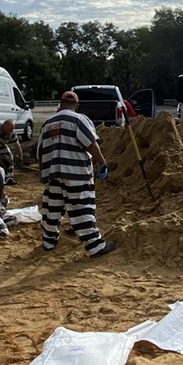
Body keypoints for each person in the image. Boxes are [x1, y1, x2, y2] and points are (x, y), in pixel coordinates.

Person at [37, 90, 116, 258]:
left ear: (60, 104)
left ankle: (48, 241)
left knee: (52, 209)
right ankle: (95, 246)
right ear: (77, 105)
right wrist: (102, 162)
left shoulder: (47, 124)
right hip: (76, 173)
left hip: (53, 174)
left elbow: (40, 152)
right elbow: (91, 144)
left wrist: (44, 174)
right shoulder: (79, 120)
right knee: (81, 209)